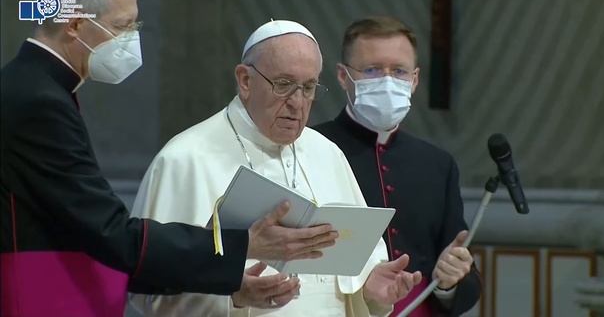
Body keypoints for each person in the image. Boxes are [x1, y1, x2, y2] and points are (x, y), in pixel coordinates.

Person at [0, 0, 336, 316]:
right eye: (122, 26)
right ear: (75, 24)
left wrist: (229, 286)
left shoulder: (38, 88)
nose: (131, 39)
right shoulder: (39, 101)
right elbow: (108, 234)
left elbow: (89, 232)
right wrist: (241, 245)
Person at [129, 19, 423, 317]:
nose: (297, 102)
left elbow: (358, 273)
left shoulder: (328, 154)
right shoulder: (184, 159)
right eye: (283, 85)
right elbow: (147, 296)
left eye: (308, 87)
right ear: (245, 80)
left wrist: (371, 291)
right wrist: (233, 296)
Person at [314, 16, 482, 316]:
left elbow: (460, 275)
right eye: (372, 70)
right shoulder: (309, 148)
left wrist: (450, 280)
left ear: (414, 80)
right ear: (342, 76)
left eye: (399, 71)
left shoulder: (437, 165)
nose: (387, 80)